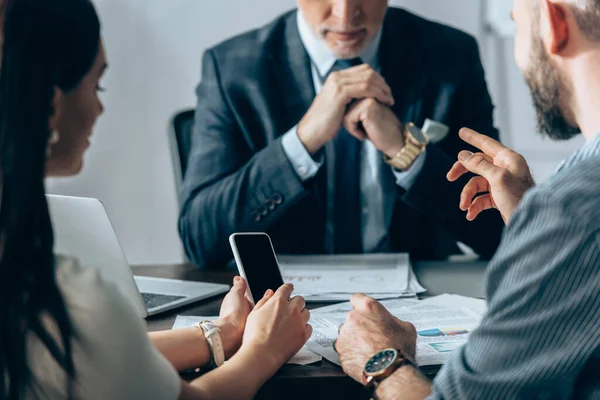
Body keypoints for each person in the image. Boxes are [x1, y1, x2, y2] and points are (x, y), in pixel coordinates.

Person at [0, 0, 311, 399]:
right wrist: (263, 351)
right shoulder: (67, 298)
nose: (99, 107)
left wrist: (221, 333)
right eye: (97, 85)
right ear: (51, 101)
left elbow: (87, 354)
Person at [335, 0, 600, 398]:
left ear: (553, 24)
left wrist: (382, 360)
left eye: (516, 23)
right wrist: (533, 223)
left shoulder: (574, 211)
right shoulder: (568, 209)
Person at [178, 0, 506, 268]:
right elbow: (200, 238)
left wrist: (407, 151)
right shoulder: (233, 69)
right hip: (283, 308)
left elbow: (498, 230)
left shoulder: (451, 55)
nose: (346, 15)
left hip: (420, 301)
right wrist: (300, 144)